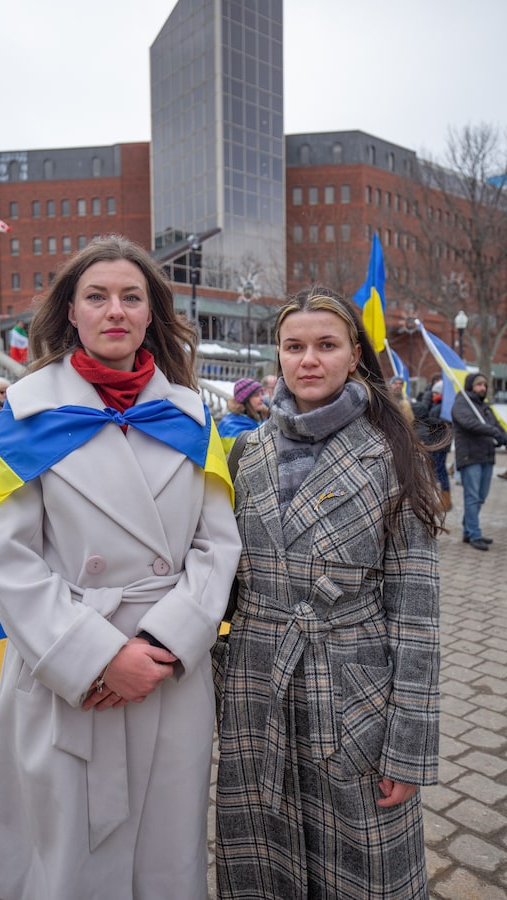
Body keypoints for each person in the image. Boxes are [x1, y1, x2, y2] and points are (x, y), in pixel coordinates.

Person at [0, 235, 241, 900]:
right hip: (68, 669)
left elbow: (218, 546)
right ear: (71, 310)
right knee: (70, 855)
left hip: (166, 674)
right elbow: (9, 560)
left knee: (164, 857)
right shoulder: (26, 414)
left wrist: (159, 645)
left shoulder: (190, 415)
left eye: (131, 297)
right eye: (96, 296)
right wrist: (95, 656)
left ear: (152, 315)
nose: (114, 310)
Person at [215, 285, 442, 899]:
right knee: (263, 857)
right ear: (278, 356)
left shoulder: (392, 452)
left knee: (361, 864)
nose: (307, 359)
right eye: (294, 346)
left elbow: (417, 617)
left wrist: (408, 747)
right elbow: (220, 580)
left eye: (325, 345)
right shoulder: (244, 450)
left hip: (354, 691)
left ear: (354, 358)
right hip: (257, 683)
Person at [452, 372, 507, 550]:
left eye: (484, 385)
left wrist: (502, 437)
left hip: (487, 456)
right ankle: (475, 534)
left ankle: (468, 530)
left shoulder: (484, 406)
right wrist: (494, 432)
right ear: (471, 386)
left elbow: (496, 425)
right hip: (470, 456)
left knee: (480, 497)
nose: (482, 388)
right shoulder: (462, 403)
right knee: (472, 497)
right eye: (478, 385)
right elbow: (469, 423)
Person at [413, 378, 453, 511]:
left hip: (440, 443)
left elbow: (443, 423)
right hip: (439, 441)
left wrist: (426, 419)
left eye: (436, 393)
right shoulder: (437, 405)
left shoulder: (443, 407)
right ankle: (443, 499)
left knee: (440, 472)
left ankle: (444, 500)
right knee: (439, 471)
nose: (434, 396)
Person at [217, 377, 268, 451]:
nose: (262, 398)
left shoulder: (261, 418)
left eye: (261, 394)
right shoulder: (232, 425)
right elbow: (238, 455)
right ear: (245, 400)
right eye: (257, 395)